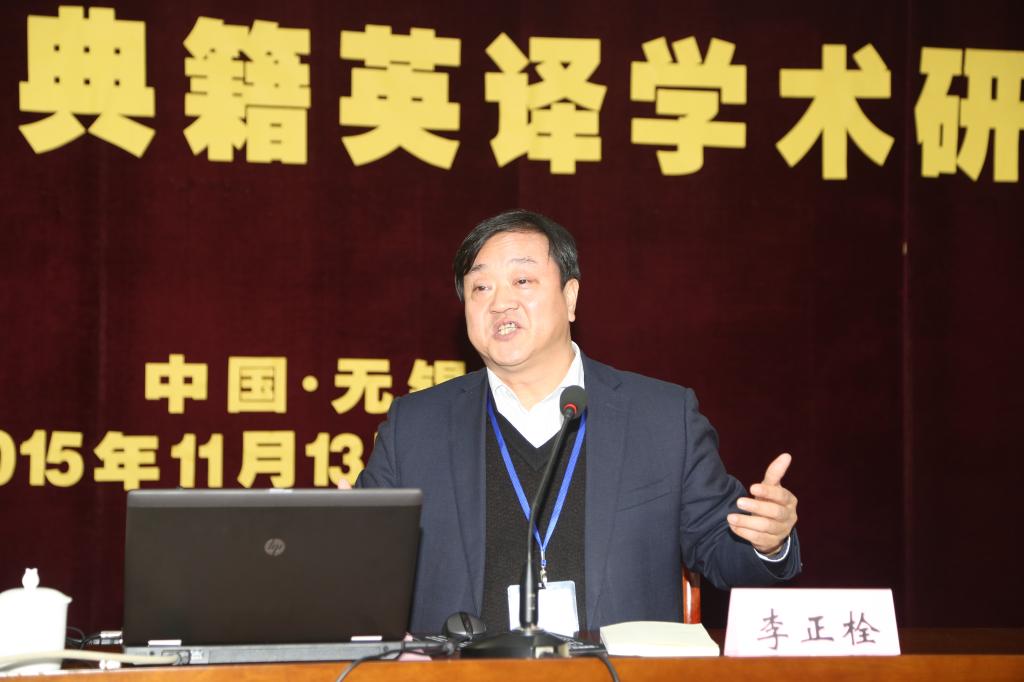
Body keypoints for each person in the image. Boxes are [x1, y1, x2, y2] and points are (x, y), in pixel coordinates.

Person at [356, 209, 800, 635]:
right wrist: (343, 542)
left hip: (618, 672)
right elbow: (366, 570)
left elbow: (721, 549)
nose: (500, 303)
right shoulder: (415, 426)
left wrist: (769, 541)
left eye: (522, 280)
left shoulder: (662, 417)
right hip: (461, 673)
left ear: (570, 297)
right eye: (480, 288)